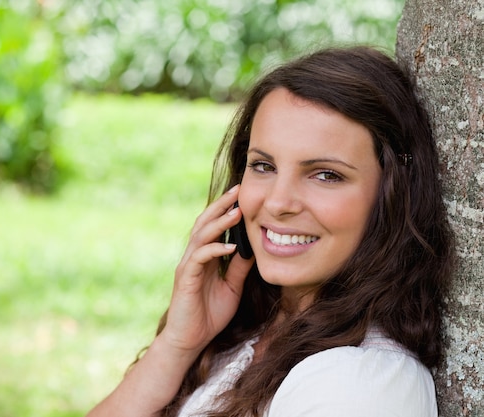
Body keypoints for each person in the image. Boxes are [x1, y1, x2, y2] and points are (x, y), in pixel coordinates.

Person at [86, 46, 455, 417]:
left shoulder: (359, 386)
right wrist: (178, 345)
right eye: (263, 165)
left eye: (326, 174)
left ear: (391, 195)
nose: (278, 203)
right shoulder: (251, 329)